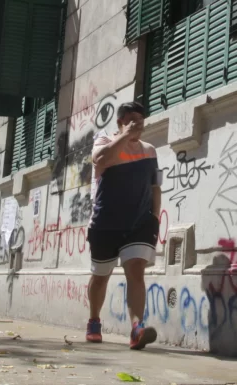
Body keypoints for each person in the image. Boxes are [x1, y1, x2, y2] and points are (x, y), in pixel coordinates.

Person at [84, 101, 162, 350]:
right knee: (100, 277)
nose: (137, 123)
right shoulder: (105, 142)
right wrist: (125, 137)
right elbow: (100, 161)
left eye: (140, 119)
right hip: (106, 223)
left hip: (139, 223)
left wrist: (155, 218)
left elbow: (155, 186)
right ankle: (94, 321)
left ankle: (137, 329)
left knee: (136, 272)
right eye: (131, 119)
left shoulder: (150, 150)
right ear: (120, 122)